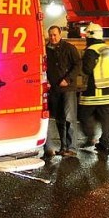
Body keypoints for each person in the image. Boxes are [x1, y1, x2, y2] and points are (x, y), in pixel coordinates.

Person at [78, 22, 109, 156]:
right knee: (106, 119)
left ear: (89, 36)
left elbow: (87, 69)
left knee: (84, 115)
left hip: (94, 90)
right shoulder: (106, 48)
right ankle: (105, 144)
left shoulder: (91, 50)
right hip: (108, 91)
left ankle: (90, 138)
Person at [44, 24, 82, 158]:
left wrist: (68, 79)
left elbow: (78, 64)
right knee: (60, 119)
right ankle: (63, 147)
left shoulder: (69, 48)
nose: (53, 37)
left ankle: (72, 148)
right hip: (54, 89)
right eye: (51, 35)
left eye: (55, 35)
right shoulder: (46, 50)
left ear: (60, 35)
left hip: (68, 88)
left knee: (69, 118)